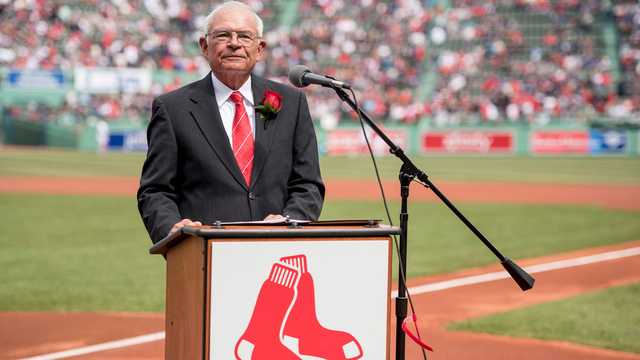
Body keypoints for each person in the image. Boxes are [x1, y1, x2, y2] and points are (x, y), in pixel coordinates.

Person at [137, 1, 325, 244]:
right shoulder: (173, 108)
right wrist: (173, 229)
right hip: (204, 254)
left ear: (260, 48)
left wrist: (290, 221)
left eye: (245, 36)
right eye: (224, 35)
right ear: (204, 46)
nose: (234, 43)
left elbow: (307, 184)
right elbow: (155, 190)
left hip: (276, 251)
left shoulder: (290, 103)